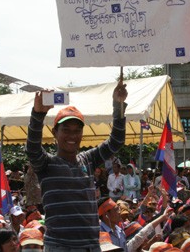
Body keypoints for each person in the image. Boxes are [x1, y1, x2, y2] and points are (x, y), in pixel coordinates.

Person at [25, 77, 128, 252]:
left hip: (90, 246)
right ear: (55, 133)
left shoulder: (88, 159)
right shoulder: (46, 164)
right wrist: (38, 114)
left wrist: (118, 105)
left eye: (77, 130)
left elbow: (116, 141)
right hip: (60, 247)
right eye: (66, 130)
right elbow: (33, 149)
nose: (72, 136)